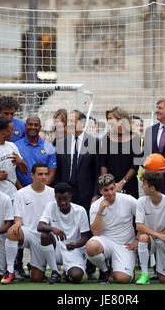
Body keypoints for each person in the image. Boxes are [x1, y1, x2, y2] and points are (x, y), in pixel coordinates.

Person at [55, 109, 100, 279]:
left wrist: (96, 194)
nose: (70, 125)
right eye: (69, 122)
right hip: (66, 194)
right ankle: (66, 265)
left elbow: (97, 172)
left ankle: (90, 268)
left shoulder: (94, 143)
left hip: (87, 194)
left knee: (87, 231)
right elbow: (59, 171)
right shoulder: (61, 143)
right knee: (68, 229)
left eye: (74, 122)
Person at [1, 163, 56, 284]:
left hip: (43, 236)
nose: (44, 177)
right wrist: (16, 224)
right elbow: (18, 216)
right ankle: (10, 270)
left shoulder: (53, 193)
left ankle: (33, 266)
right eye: (40, 174)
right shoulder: (21, 193)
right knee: (12, 232)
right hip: (27, 232)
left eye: (46, 174)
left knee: (37, 278)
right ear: (32, 175)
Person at [86, 174, 138, 284]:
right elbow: (96, 232)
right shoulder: (96, 205)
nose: (110, 193)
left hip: (125, 244)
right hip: (106, 241)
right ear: (100, 191)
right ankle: (105, 270)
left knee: (123, 279)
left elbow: (143, 220)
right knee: (91, 246)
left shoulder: (128, 200)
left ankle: (116, 269)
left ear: (115, 187)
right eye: (106, 190)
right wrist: (101, 210)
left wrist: (137, 240)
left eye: (112, 189)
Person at [37, 182, 90, 284]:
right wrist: (53, 229)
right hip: (56, 249)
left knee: (76, 276)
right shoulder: (50, 206)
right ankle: (55, 272)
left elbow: (85, 237)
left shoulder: (80, 210)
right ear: (55, 197)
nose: (62, 202)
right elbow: (40, 226)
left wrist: (75, 245)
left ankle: (66, 274)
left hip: (73, 250)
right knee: (44, 235)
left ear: (70, 197)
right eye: (59, 199)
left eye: (65, 199)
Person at [134, 171, 165, 285]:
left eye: (144, 184)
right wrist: (157, 234)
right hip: (152, 239)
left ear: (152, 188)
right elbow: (139, 226)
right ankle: (145, 274)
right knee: (142, 237)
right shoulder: (141, 201)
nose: (142, 186)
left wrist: (161, 235)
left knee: (163, 280)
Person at [99, 107, 142, 198]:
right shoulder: (106, 138)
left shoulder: (135, 138)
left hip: (129, 185)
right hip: (110, 186)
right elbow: (103, 163)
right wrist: (107, 183)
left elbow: (135, 165)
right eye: (108, 119)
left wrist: (122, 183)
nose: (109, 121)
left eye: (111, 118)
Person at [15, 115, 56, 187]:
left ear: (40, 127)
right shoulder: (15, 146)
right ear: (25, 126)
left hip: (42, 192)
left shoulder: (49, 147)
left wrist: (40, 190)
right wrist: (22, 191)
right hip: (21, 192)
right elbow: (12, 173)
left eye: (36, 125)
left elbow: (51, 174)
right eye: (30, 124)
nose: (33, 127)